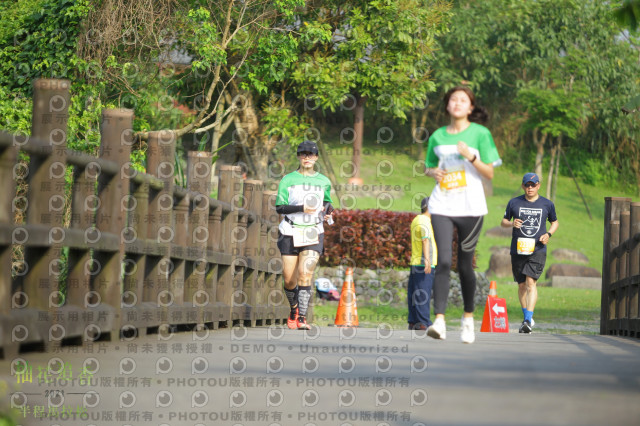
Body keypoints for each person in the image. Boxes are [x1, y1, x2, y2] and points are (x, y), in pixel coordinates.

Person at [424, 86, 501, 343]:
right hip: (442, 205)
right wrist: (432, 173)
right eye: (453, 99)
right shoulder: (436, 136)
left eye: (463, 100)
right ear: (447, 106)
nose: (457, 103)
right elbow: (429, 167)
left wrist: (471, 157)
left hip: (471, 207)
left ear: (470, 107)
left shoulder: (480, 134)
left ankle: (468, 319)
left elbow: (489, 173)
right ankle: (440, 321)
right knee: (443, 261)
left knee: (465, 265)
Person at [276, 140, 334, 330]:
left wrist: (328, 212)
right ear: (299, 156)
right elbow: (280, 207)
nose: (307, 157)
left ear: (316, 157)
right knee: (289, 279)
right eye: (303, 154)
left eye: (311, 154)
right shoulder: (287, 179)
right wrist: (302, 207)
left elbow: (327, 203)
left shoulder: (324, 181)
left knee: (305, 273)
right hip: (290, 230)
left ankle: (302, 317)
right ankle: (293, 309)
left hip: (313, 230)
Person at [501, 172, 559, 334]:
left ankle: (527, 320)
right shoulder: (514, 202)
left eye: (533, 185)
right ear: (523, 186)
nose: (530, 188)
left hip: (538, 249)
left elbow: (555, 222)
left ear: (538, 186)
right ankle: (527, 316)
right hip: (518, 249)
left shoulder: (547, 204)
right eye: (527, 185)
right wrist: (512, 223)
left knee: (531, 283)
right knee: (521, 286)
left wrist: (548, 234)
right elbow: (504, 221)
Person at [407, 197, 438, 331]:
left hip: (416, 262)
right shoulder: (424, 221)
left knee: (414, 292)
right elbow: (425, 240)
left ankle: (414, 321)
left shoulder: (417, 219)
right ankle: (424, 322)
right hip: (423, 263)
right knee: (422, 293)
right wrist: (427, 260)